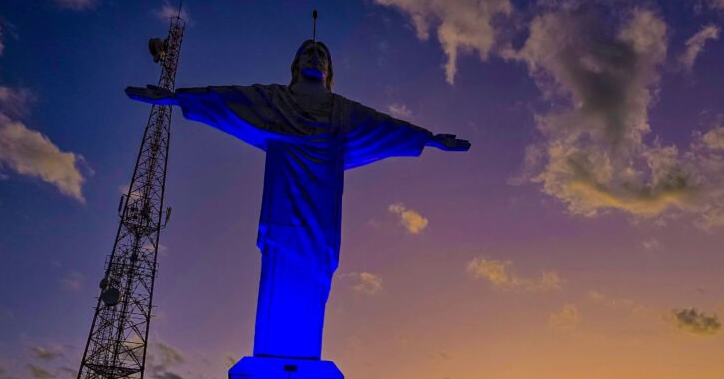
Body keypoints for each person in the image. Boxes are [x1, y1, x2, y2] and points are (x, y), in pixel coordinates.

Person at [126, 40, 470, 360]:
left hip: (320, 214)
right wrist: (176, 98)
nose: (314, 58)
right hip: (283, 210)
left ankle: (303, 358)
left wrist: (429, 139)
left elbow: (384, 126)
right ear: (295, 64)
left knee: (315, 273)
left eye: (321, 55)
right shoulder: (275, 101)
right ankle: (274, 359)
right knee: (280, 272)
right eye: (307, 53)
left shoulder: (342, 112)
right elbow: (227, 99)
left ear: (329, 70)